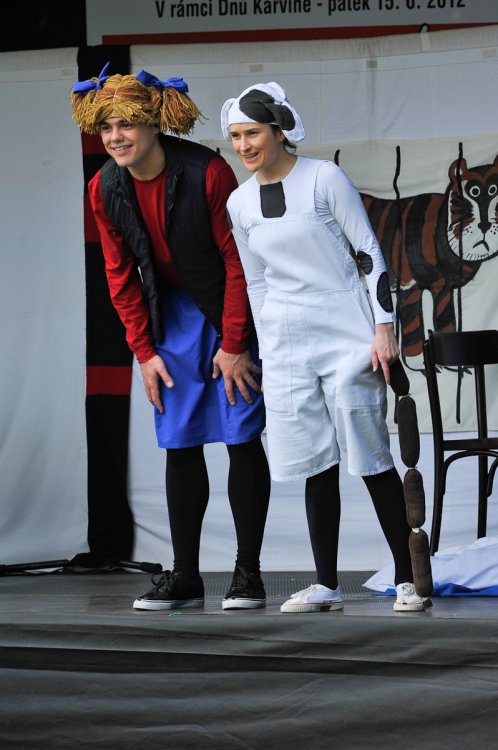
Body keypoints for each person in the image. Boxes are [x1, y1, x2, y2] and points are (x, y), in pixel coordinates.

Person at [221, 82, 431, 613]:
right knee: (315, 460)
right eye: (235, 136)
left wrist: (383, 327)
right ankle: (326, 583)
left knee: (370, 452)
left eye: (252, 133)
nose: (243, 145)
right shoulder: (238, 203)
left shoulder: (323, 178)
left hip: (345, 329)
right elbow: (255, 282)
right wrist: (270, 348)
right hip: (286, 340)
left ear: (279, 131)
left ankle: (407, 577)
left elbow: (369, 252)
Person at [70, 65, 271, 611]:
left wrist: (234, 343)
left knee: (240, 437)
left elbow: (238, 262)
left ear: (154, 123)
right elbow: (119, 275)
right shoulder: (104, 187)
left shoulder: (208, 172)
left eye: (126, 124)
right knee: (180, 442)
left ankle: (248, 575)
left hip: (227, 306)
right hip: (170, 317)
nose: (116, 137)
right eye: (107, 126)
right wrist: (143, 352)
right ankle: (185, 576)